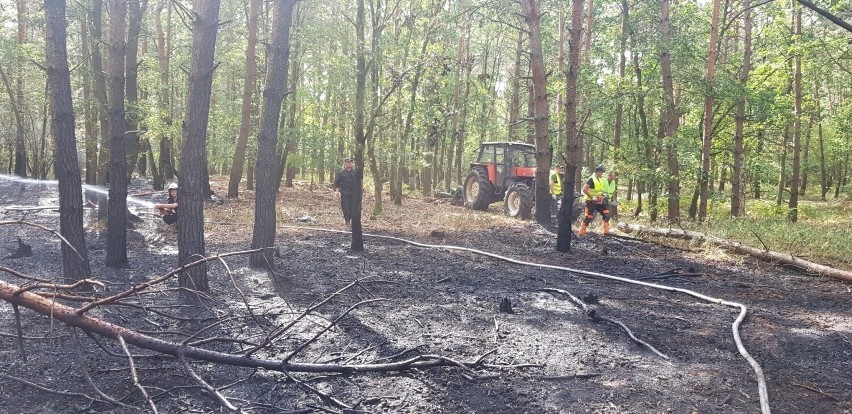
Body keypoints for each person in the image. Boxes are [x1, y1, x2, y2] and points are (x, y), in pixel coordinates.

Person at [580, 164, 611, 236]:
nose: (602, 174)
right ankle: (582, 233)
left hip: (598, 201)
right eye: (601, 172)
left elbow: (598, 191)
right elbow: (584, 189)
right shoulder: (591, 179)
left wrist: (603, 195)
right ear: (597, 171)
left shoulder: (600, 179)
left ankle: (606, 232)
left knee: (606, 213)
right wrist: (592, 197)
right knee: (589, 216)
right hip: (590, 201)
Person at [333, 158, 356, 225]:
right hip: (344, 192)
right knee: (345, 207)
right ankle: (347, 220)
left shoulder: (355, 172)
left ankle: (352, 220)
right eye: (348, 162)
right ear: (345, 163)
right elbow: (337, 183)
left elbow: (359, 183)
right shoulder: (341, 173)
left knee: (353, 207)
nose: (349, 164)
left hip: (354, 193)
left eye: (350, 162)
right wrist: (337, 191)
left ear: (352, 164)